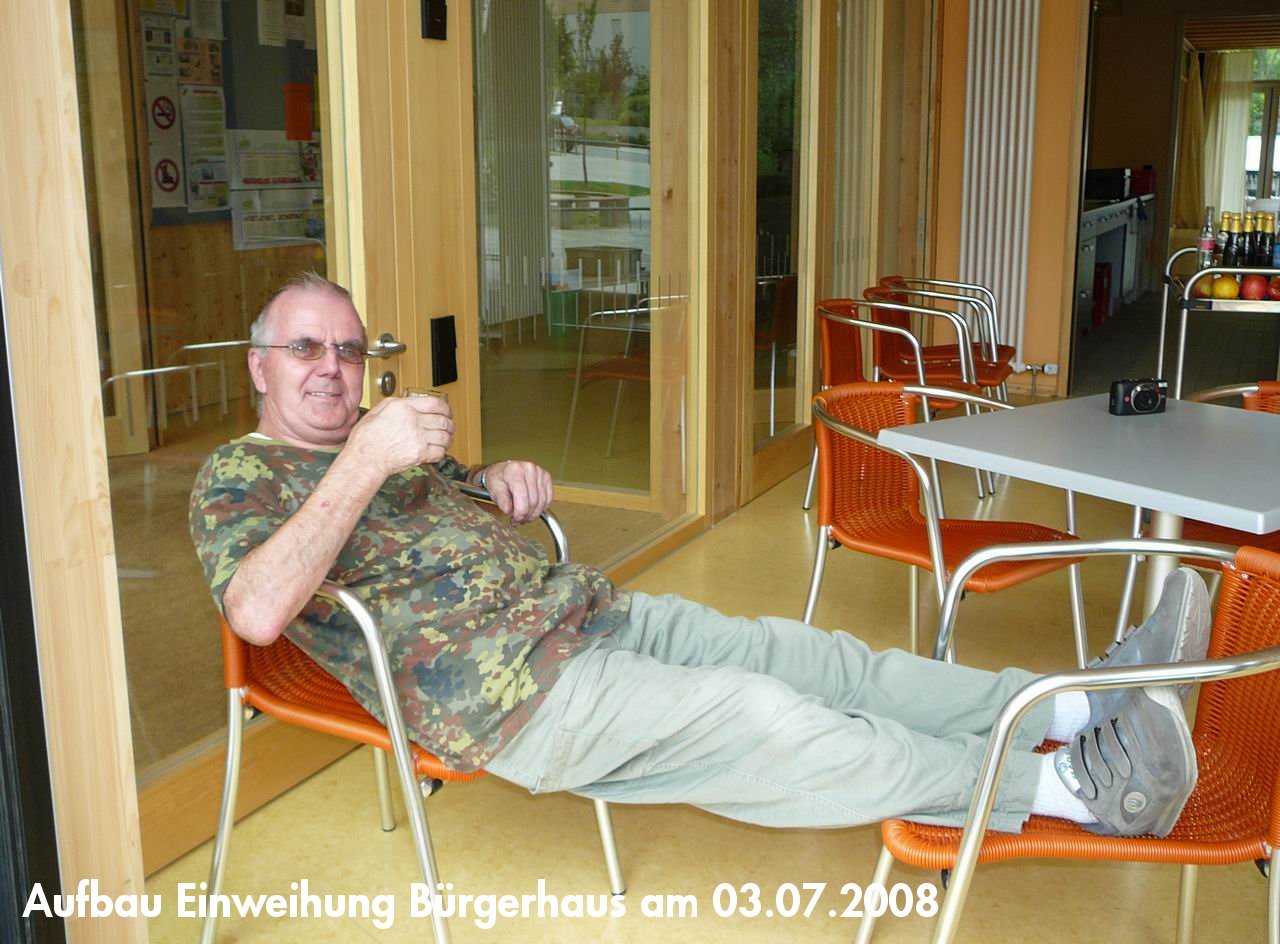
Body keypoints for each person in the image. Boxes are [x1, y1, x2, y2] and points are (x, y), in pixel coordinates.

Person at [190, 272, 1208, 839]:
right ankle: (1078, 792)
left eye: (349, 349)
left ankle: (1069, 707)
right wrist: (366, 456)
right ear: (258, 367)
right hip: (514, 701)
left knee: (816, 658)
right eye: (307, 349)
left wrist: (496, 478)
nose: (334, 370)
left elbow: (445, 510)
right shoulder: (240, 477)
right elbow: (257, 610)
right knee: (770, 719)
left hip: (590, 617)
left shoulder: (380, 443)